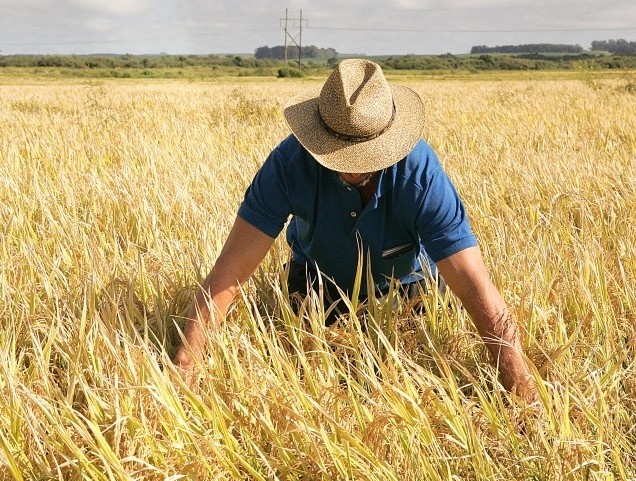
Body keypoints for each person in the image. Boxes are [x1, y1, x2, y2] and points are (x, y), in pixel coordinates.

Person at [172, 58, 537, 402]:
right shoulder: (288, 165)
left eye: (366, 156)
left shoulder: (420, 174)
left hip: (408, 285)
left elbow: (473, 281)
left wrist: (518, 381)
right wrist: (186, 364)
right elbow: (230, 273)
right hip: (318, 286)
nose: (352, 169)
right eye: (338, 155)